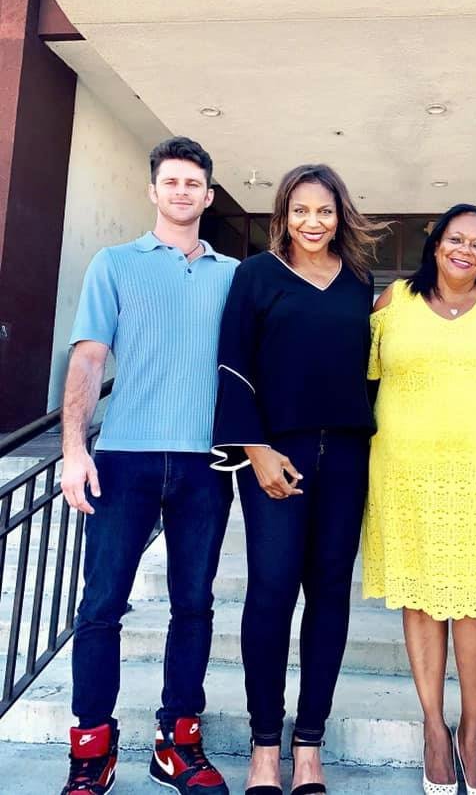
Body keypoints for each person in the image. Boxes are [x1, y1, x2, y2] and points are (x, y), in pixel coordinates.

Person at [59, 137, 237, 795]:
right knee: (101, 606)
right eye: (172, 181)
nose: (182, 191)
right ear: (153, 190)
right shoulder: (114, 264)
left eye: (194, 182)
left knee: (193, 606)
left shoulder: (233, 274)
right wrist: (73, 449)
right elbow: (87, 357)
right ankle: (91, 751)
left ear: (208, 195)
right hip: (124, 458)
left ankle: (177, 743)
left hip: (204, 464)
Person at [211, 163, 384, 795]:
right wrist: (255, 449)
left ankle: (308, 745)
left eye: (325, 211)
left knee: (330, 595)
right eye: (301, 210)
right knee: (271, 592)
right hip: (275, 455)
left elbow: (370, 368)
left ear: (341, 216)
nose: (314, 222)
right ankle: (264, 745)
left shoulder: (359, 280)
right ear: (283, 214)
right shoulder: (255, 275)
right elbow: (233, 364)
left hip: (346, 456)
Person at [362, 203, 476, 795]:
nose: (465, 250)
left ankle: (473, 733)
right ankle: (435, 729)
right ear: (435, 244)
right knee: (421, 599)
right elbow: (358, 379)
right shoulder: (392, 303)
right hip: (405, 473)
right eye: (455, 239)